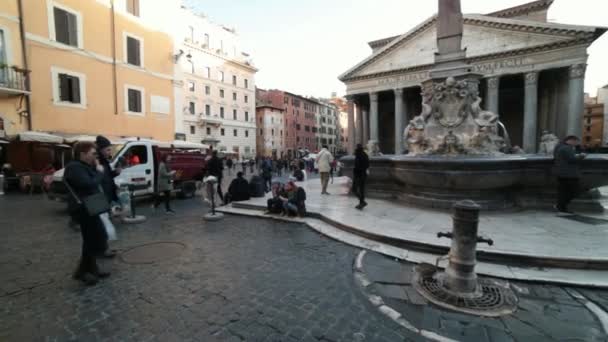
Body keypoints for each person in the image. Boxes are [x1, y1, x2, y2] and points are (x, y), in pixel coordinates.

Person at [65, 142, 109, 286]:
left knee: (96, 237)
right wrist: (99, 172)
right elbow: (89, 184)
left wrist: (96, 167)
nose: (94, 156)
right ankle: (84, 272)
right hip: (82, 209)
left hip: (91, 207)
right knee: (93, 239)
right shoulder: (74, 167)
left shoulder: (85, 166)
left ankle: (90, 269)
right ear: (82, 154)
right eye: (92, 153)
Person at [95, 135, 122, 258]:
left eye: (110, 149)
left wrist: (115, 173)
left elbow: (106, 178)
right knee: (101, 226)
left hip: (106, 198)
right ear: (100, 150)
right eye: (107, 149)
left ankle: (104, 249)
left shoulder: (104, 162)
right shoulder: (96, 163)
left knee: (104, 225)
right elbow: (97, 180)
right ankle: (102, 250)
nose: (109, 152)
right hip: (99, 199)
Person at [554, 135, 586, 215]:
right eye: (576, 142)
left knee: (563, 192)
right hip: (569, 174)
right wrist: (581, 156)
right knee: (575, 191)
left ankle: (561, 207)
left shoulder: (559, 146)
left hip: (562, 173)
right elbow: (572, 159)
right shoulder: (567, 148)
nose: (577, 144)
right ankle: (560, 207)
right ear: (571, 140)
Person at [353, 144, 370, 210]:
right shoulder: (364, 154)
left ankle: (362, 202)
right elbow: (367, 164)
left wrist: (356, 171)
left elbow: (357, 165)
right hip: (363, 174)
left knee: (354, 189)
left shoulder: (358, 155)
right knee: (361, 190)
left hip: (358, 175)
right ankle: (361, 202)